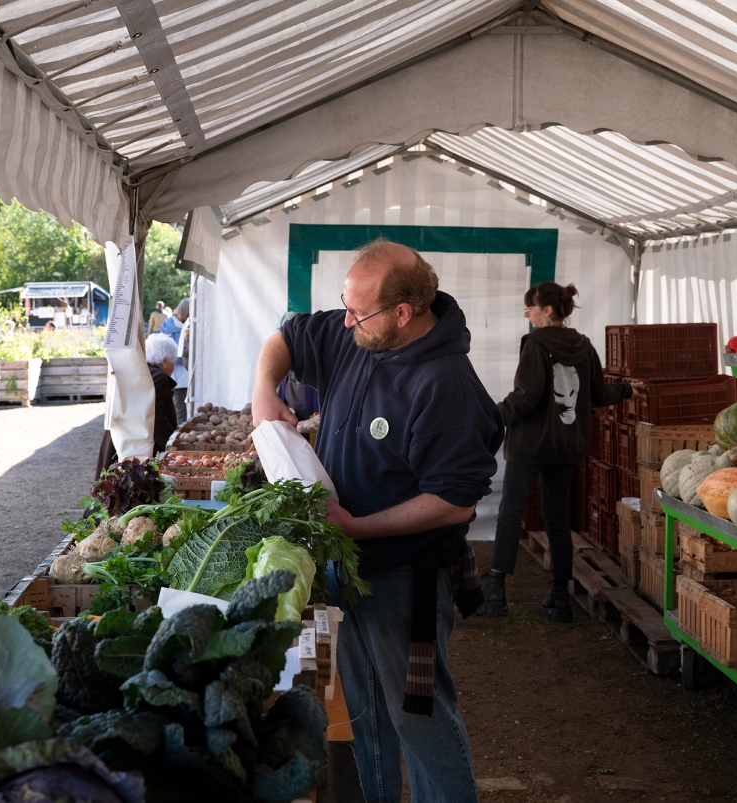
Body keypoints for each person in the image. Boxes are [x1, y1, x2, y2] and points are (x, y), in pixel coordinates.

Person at [252, 239, 503, 803]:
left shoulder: (446, 387)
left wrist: (358, 528)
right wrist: (263, 389)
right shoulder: (360, 333)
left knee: (419, 715)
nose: (345, 320)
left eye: (357, 312)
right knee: (364, 710)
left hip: (403, 579)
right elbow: (286, 338)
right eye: (344, 304)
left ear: (403, 314)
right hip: (346, 570)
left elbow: (455, 501)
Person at [479, 281, 639, 623]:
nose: (527, 313)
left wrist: (491, 417)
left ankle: (494, 592)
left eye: (531, 308)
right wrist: (628, 388)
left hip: (530, 446)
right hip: (567, 445)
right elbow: (597, 393)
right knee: (557, 517)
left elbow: (527, 395)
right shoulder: (584, 345)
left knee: (510, 514)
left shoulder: (534, 344)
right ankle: (559, 598)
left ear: (547, 310)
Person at [145, 333, 179, 453]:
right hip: (146, 445)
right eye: (173, 362)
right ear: (164, 361)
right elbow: (154, 416)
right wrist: (172, 442)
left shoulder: (143, 371)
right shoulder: (158, 377)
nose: (173, 367)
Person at [160, 297, 190, 425]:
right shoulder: (172, 329)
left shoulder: (168, 326)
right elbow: (170, 355)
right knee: (181, 413)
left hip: (180, 376)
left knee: (179, 411)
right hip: (180, 377)